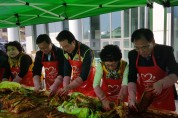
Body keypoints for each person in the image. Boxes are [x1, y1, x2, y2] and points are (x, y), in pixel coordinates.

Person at [128, 28, 178, 111]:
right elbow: (132, 77)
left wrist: (161, 84)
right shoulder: (133, 54)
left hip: (164, 96)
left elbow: (175, 73)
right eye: (137, 48)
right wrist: (132, 97)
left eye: (144, 47)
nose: (141, 51)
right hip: (144, 97)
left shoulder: (165, 51)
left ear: (153, 42)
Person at [56, 30, 95, 97]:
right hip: (75, 84)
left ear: (73, 42)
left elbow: (84, 75)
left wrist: (68, 87)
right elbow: (67, 71)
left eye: (66, 46)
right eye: (62, 47)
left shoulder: (87, 51)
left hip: (88, 83)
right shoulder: (65, 52)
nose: (65, 49)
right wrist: (65, 88)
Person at [93, 45, 128, 110]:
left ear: (118, 61)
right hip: (105, 96)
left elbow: (125, 85)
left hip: (121, 95)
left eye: (113, 65)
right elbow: (96, 84)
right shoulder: (101, 65)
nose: (111, 67)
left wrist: (119, 100)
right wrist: (104, 100)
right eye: (108, 65)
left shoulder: (125, 65)